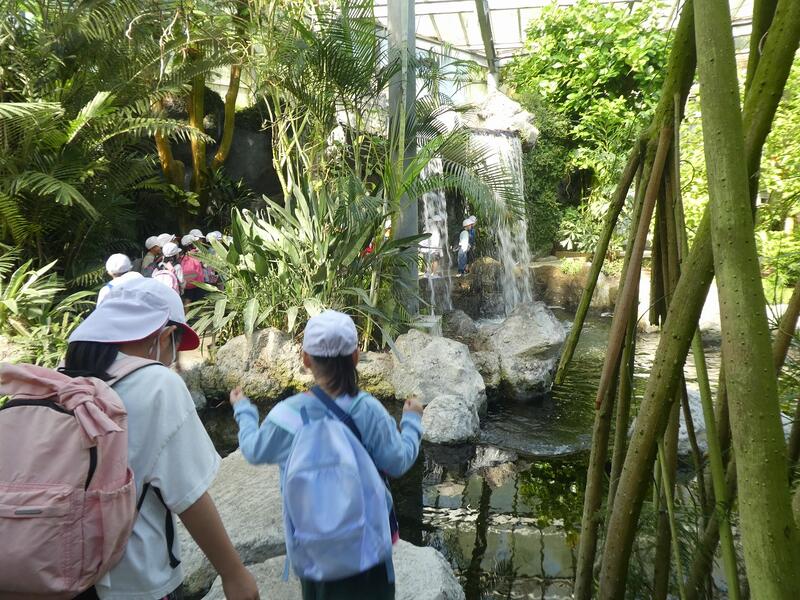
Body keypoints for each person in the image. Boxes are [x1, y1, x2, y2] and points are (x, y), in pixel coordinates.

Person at [62, 277, 259, 600]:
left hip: (54, 572)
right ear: (165, 336)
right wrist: (233, 573)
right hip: (133, 583)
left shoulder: (61, 380)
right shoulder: (157, 384)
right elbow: (189, 497)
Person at [230, 310, 424, 600]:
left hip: (313, 550)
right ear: (355, 357)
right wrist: (411, 422)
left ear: (306, 359)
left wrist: (244, 411)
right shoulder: (368, 410)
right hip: (368, 549)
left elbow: (253, 450)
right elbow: (398, 462)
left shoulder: (287, 414)